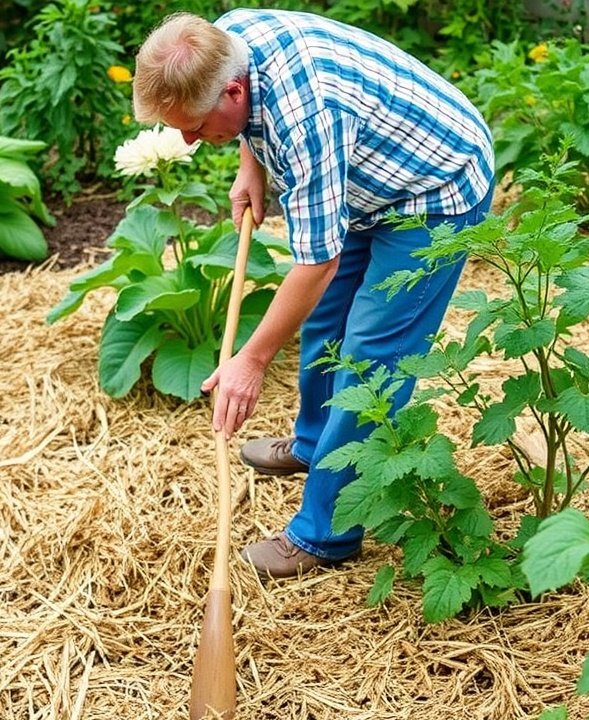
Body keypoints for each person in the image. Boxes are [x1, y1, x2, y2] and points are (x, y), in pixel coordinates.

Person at [132, 9, 494, 578]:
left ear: (232, 90)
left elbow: (316, 260)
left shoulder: (306, 119)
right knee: (325, 321)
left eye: (196, 126)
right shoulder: (228, 37)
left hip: (435, 187)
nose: (189, 140)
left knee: (371, 356)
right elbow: (251, 120)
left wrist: (251, 359)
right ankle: (311, 444)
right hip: (366, 177)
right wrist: (248, 165)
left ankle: (325, 534)